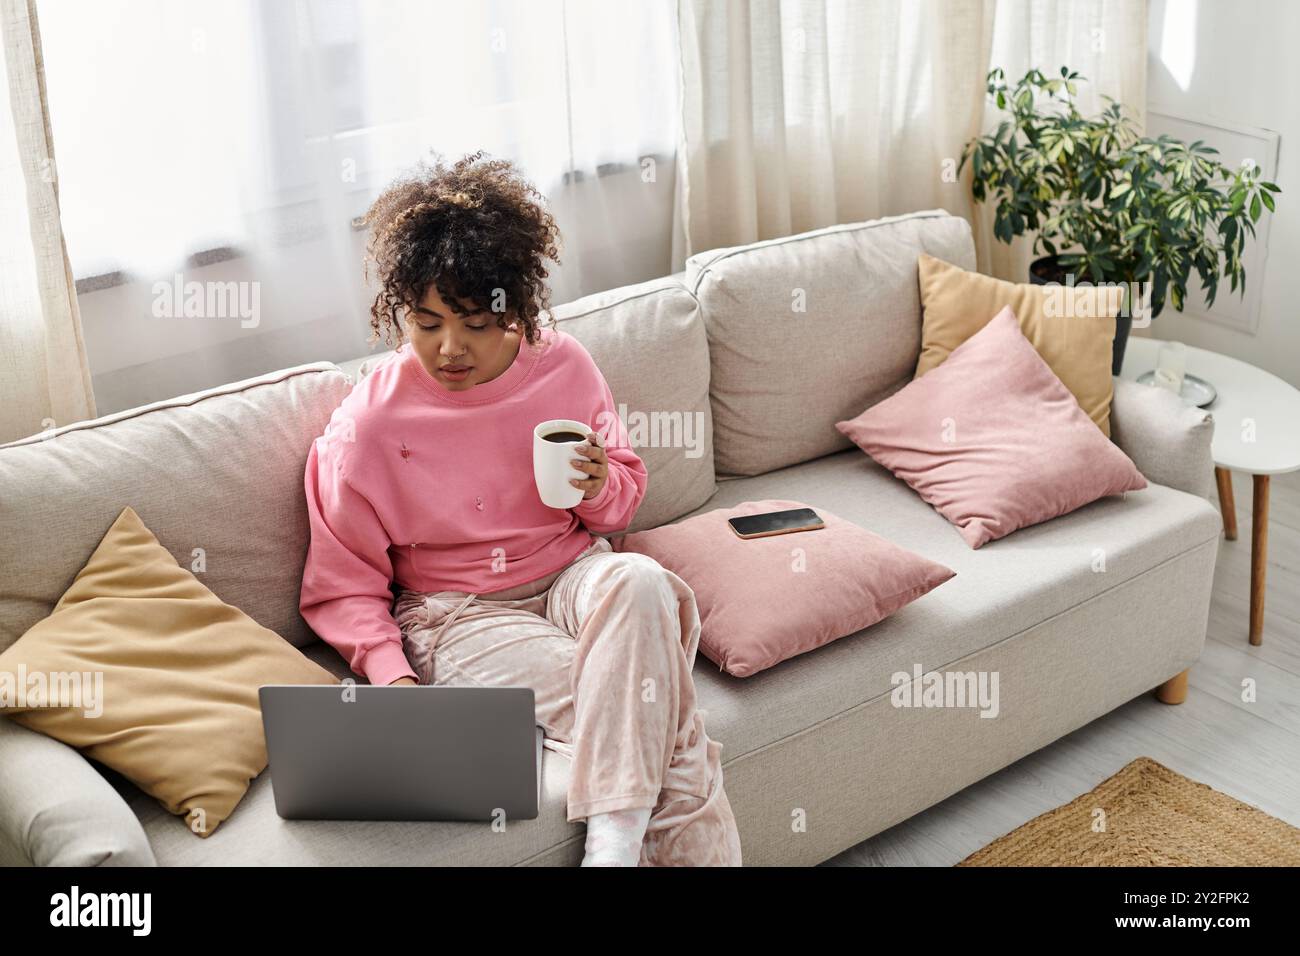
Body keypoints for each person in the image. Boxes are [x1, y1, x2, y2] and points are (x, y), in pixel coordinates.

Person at [299, 150, 741, 866]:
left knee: (643, 582)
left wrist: (601, 483)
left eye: (475, 322)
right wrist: (396, 680)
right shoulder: (369, 426)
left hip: (574, 580)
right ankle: (617, 843)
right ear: (398, 313)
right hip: (457, 614)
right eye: (426, 321)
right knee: (659, 709)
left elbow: (618, 508)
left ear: (518, 309)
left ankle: (615, 844)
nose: (449, 349)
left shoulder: (565, 367)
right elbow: (341, 585)